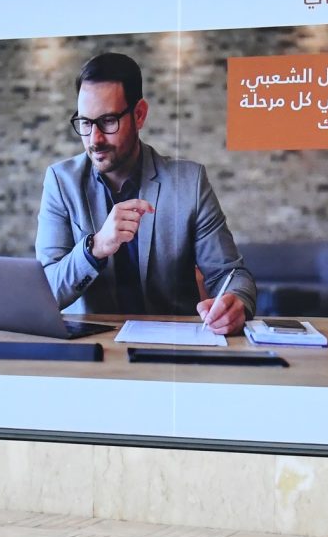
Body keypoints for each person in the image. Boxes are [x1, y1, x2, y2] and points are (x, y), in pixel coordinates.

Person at [36, 51, 256, 333]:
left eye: (108, 121)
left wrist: (236, 302)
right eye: (86, 123)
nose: (94, 139)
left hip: (171, 346)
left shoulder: (189, 183)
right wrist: (95, 248)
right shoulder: (60, 182)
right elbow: (46, 293)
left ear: (139, 115)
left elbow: (230, 274)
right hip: (91, 346)